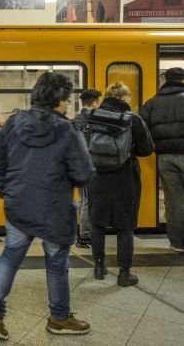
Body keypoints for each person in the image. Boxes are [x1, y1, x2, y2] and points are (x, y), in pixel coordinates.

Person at [0, 73, 95, 340]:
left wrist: (6, 192)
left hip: (18, 204)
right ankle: (59, 317)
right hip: (55, 207)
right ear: (58, 100)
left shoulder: (13, 123)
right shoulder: (67, 129)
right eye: (66, 101)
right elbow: (83, 173)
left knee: (10, 255)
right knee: (56, 263)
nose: (67, 106)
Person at [88, 82, 154, 287]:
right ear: (126, 98)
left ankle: (99, 266)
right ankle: (124, 274)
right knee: (125, 225)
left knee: (97, 221)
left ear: (106, 97)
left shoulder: (92, 117)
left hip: (97, 176)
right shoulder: (132, 119)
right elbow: (147, 149)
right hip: (125, 176)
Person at [141, 67, 184, 253]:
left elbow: (143, 132)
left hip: (165, 157)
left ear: (165, 79)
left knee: (174, 200)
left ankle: (177, 242)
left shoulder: (152, 103)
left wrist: (155, 147)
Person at [71, 89, 102, 249]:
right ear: (95, 103)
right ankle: (84, 236)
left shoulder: (76, 119)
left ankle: (83, 234)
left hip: (79, 164)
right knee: (87, 201)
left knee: (84, 199)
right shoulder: (95, 119)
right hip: (90, 164)